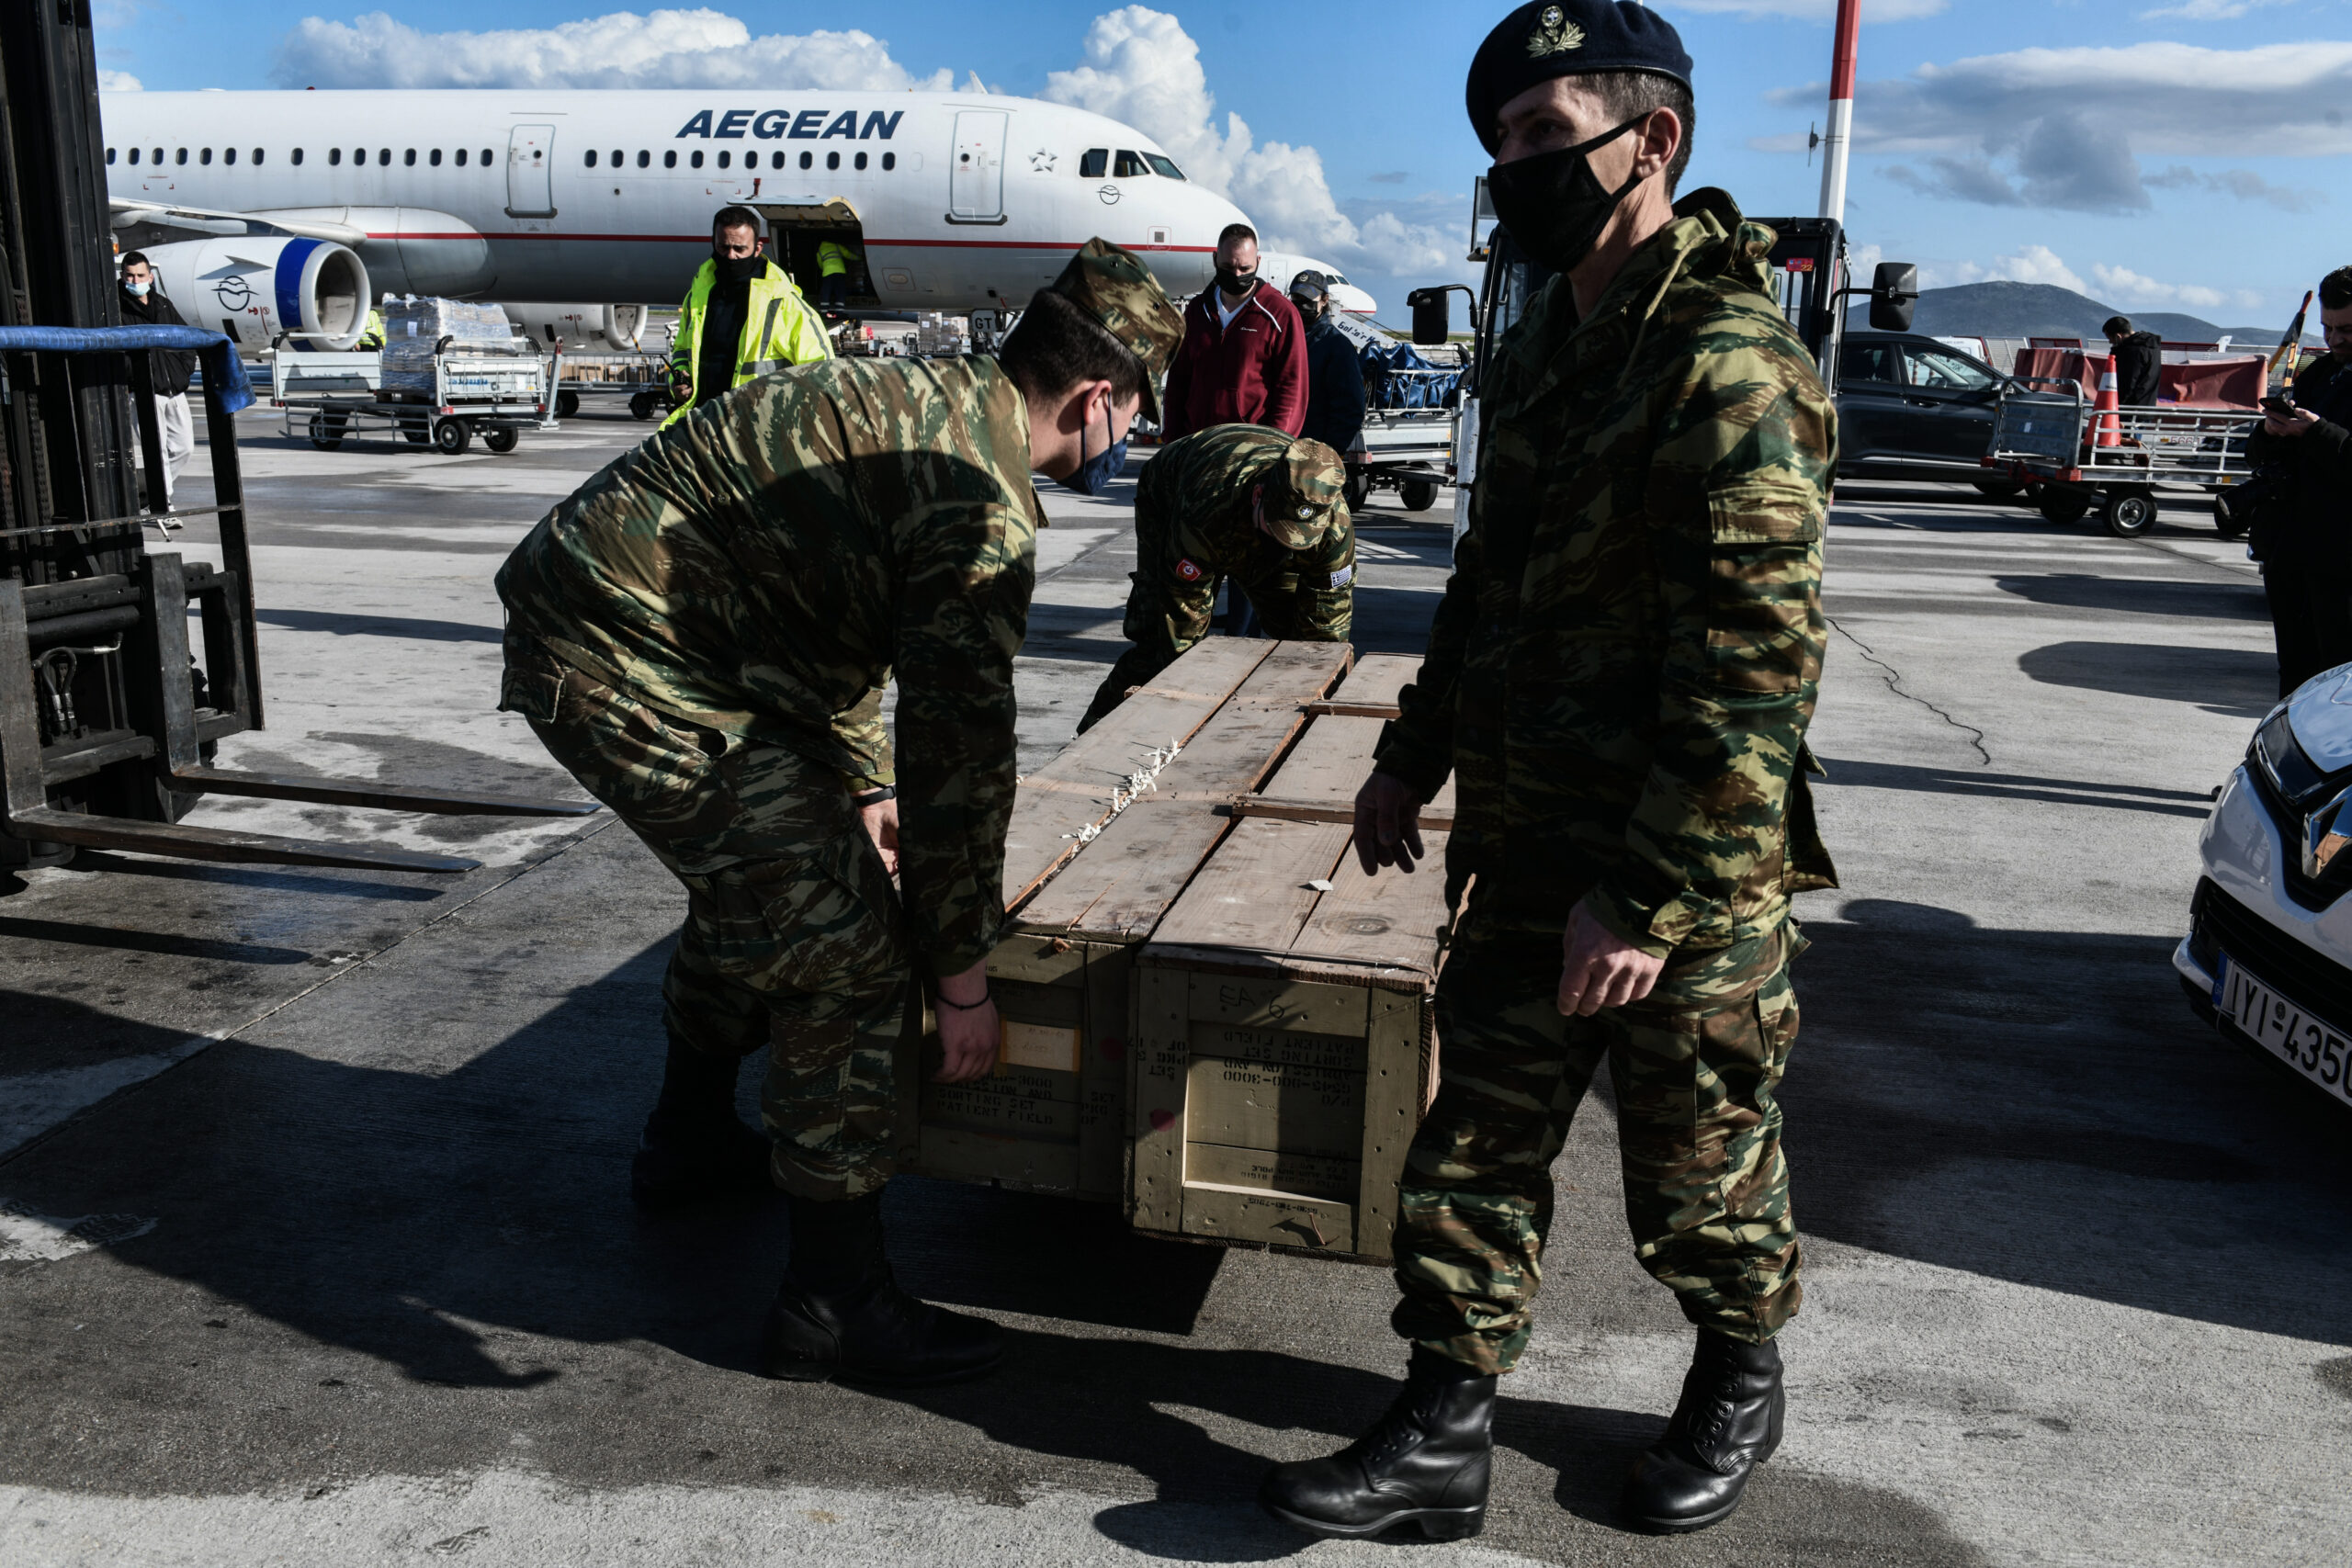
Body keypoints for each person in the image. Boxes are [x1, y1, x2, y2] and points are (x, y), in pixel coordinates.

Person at [1259, 0, 1838, 1541]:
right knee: (1473, 1150)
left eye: (1543, 134)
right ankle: (1442, 1428)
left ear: (1654, 141)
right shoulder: (1542, 348)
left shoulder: (1729, 366)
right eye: (1499, 140)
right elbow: (1486, 583)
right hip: (1523, 845)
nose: (1513, 167)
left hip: (1678, 874)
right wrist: (1412, 754)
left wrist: (1646, 897)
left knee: (1699, 1178)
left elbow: (1754, 671)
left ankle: (1739, 1373)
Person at [495, 239, 1182, 1385]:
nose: (1132, 438)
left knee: (774, 881)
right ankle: (833, 1302)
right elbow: (960, 760)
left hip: (680, 642)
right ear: (1095, 398)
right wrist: (960, 979)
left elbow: (835, 610)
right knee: (845, 947)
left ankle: (688, 1142)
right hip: (629, 661)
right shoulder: (978, 504)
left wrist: (861, 786)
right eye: (1136, 414)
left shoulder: (928, 398)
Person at [1075, 427, 1352, 735]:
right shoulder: (1206, 505)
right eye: (1280, 530)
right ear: (1258, 496)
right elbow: (1183, 617)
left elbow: (1326, 632)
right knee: (1157, 641)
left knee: (1298, 640)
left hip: (1241, 512)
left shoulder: (1334, 529)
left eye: (1299, 539)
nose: (1285, 544)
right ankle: (1093, 737)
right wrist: (1189, 710)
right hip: (1171, 495)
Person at [2248, 266, 2352, 694]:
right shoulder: (2319, 373)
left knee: (2338, 688)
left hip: (2342, 566)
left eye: (2347, 330)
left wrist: (2316, 431)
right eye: (2328, 328)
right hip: (2295, 555)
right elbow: (2259, 456)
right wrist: (2270, 432)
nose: (2335, 339)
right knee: (2296, 681)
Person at [662, 206, 831, 428]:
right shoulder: (698, 296)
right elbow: (682, 351)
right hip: (705, 423)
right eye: (723, 247)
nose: (730, 256)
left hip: (759, 429)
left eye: (739, 249)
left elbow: (822, 373)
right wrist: (679, 380)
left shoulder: (783, 302)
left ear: (757, 248)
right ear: (713, 243)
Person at [1160, 222, 1308, 440]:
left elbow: (1292, 388)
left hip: (1251, 446)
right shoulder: (1197, 311)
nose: (1237, 275)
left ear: (1258, 262)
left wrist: (1274, 444)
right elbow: (1178, 381)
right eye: (1228, 267)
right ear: (1215, 260)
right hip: (1198, 444)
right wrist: (1173, 440)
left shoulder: (1280, 314)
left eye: (1245, 269)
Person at [116, 252, 197, 506]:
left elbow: (185, 338)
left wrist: (184, 371)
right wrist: (134, 377)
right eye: (130, 275)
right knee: (157, 449)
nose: (135, 280)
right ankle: (163, 503)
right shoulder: (116, 308)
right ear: (122, 276)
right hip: (144, 390)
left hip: (174, 389)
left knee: (185, 448)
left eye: (140, 275)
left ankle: (151, 494)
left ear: (150, 277)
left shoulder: (163, 305)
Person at [1290, 271, 1369, 491]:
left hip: (1314, 458)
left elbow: (1351, 408)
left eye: (1307, 299)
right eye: (1296, 299)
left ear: (1324, 300)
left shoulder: (1336, 346)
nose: (1301, 305)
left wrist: (1325, 455)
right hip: (1284, 449)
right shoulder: (1285, 338)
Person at [2103, 315, 2163, 409]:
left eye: (2110, 339)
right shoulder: (2152, 347)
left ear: (2118, 336)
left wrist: (2116, 406)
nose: (2110, 342)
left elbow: (2127, 382)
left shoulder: (2131, 351)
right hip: (2148, 406)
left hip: (2129, 408)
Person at [817, 235, 864, 311]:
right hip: (840, 271)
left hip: (827, 273)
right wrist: (860, 258)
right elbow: (848, 254)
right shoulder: (837, 246)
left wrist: (826, 268)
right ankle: (839, 311)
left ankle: (824, 311)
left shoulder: (820, 250)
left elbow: (820, 264)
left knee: (826, 291)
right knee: (840, 291)